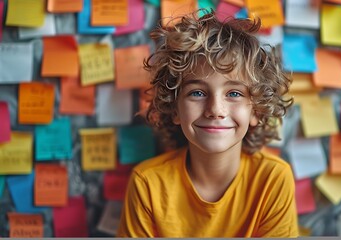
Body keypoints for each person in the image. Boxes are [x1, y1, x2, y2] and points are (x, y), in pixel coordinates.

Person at [117, 9, 298, 237]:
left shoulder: (273, 178)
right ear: (175, 109)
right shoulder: (147, 183)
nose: (215, 110)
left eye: (234, 94)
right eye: (197, 93)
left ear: (257, 110)